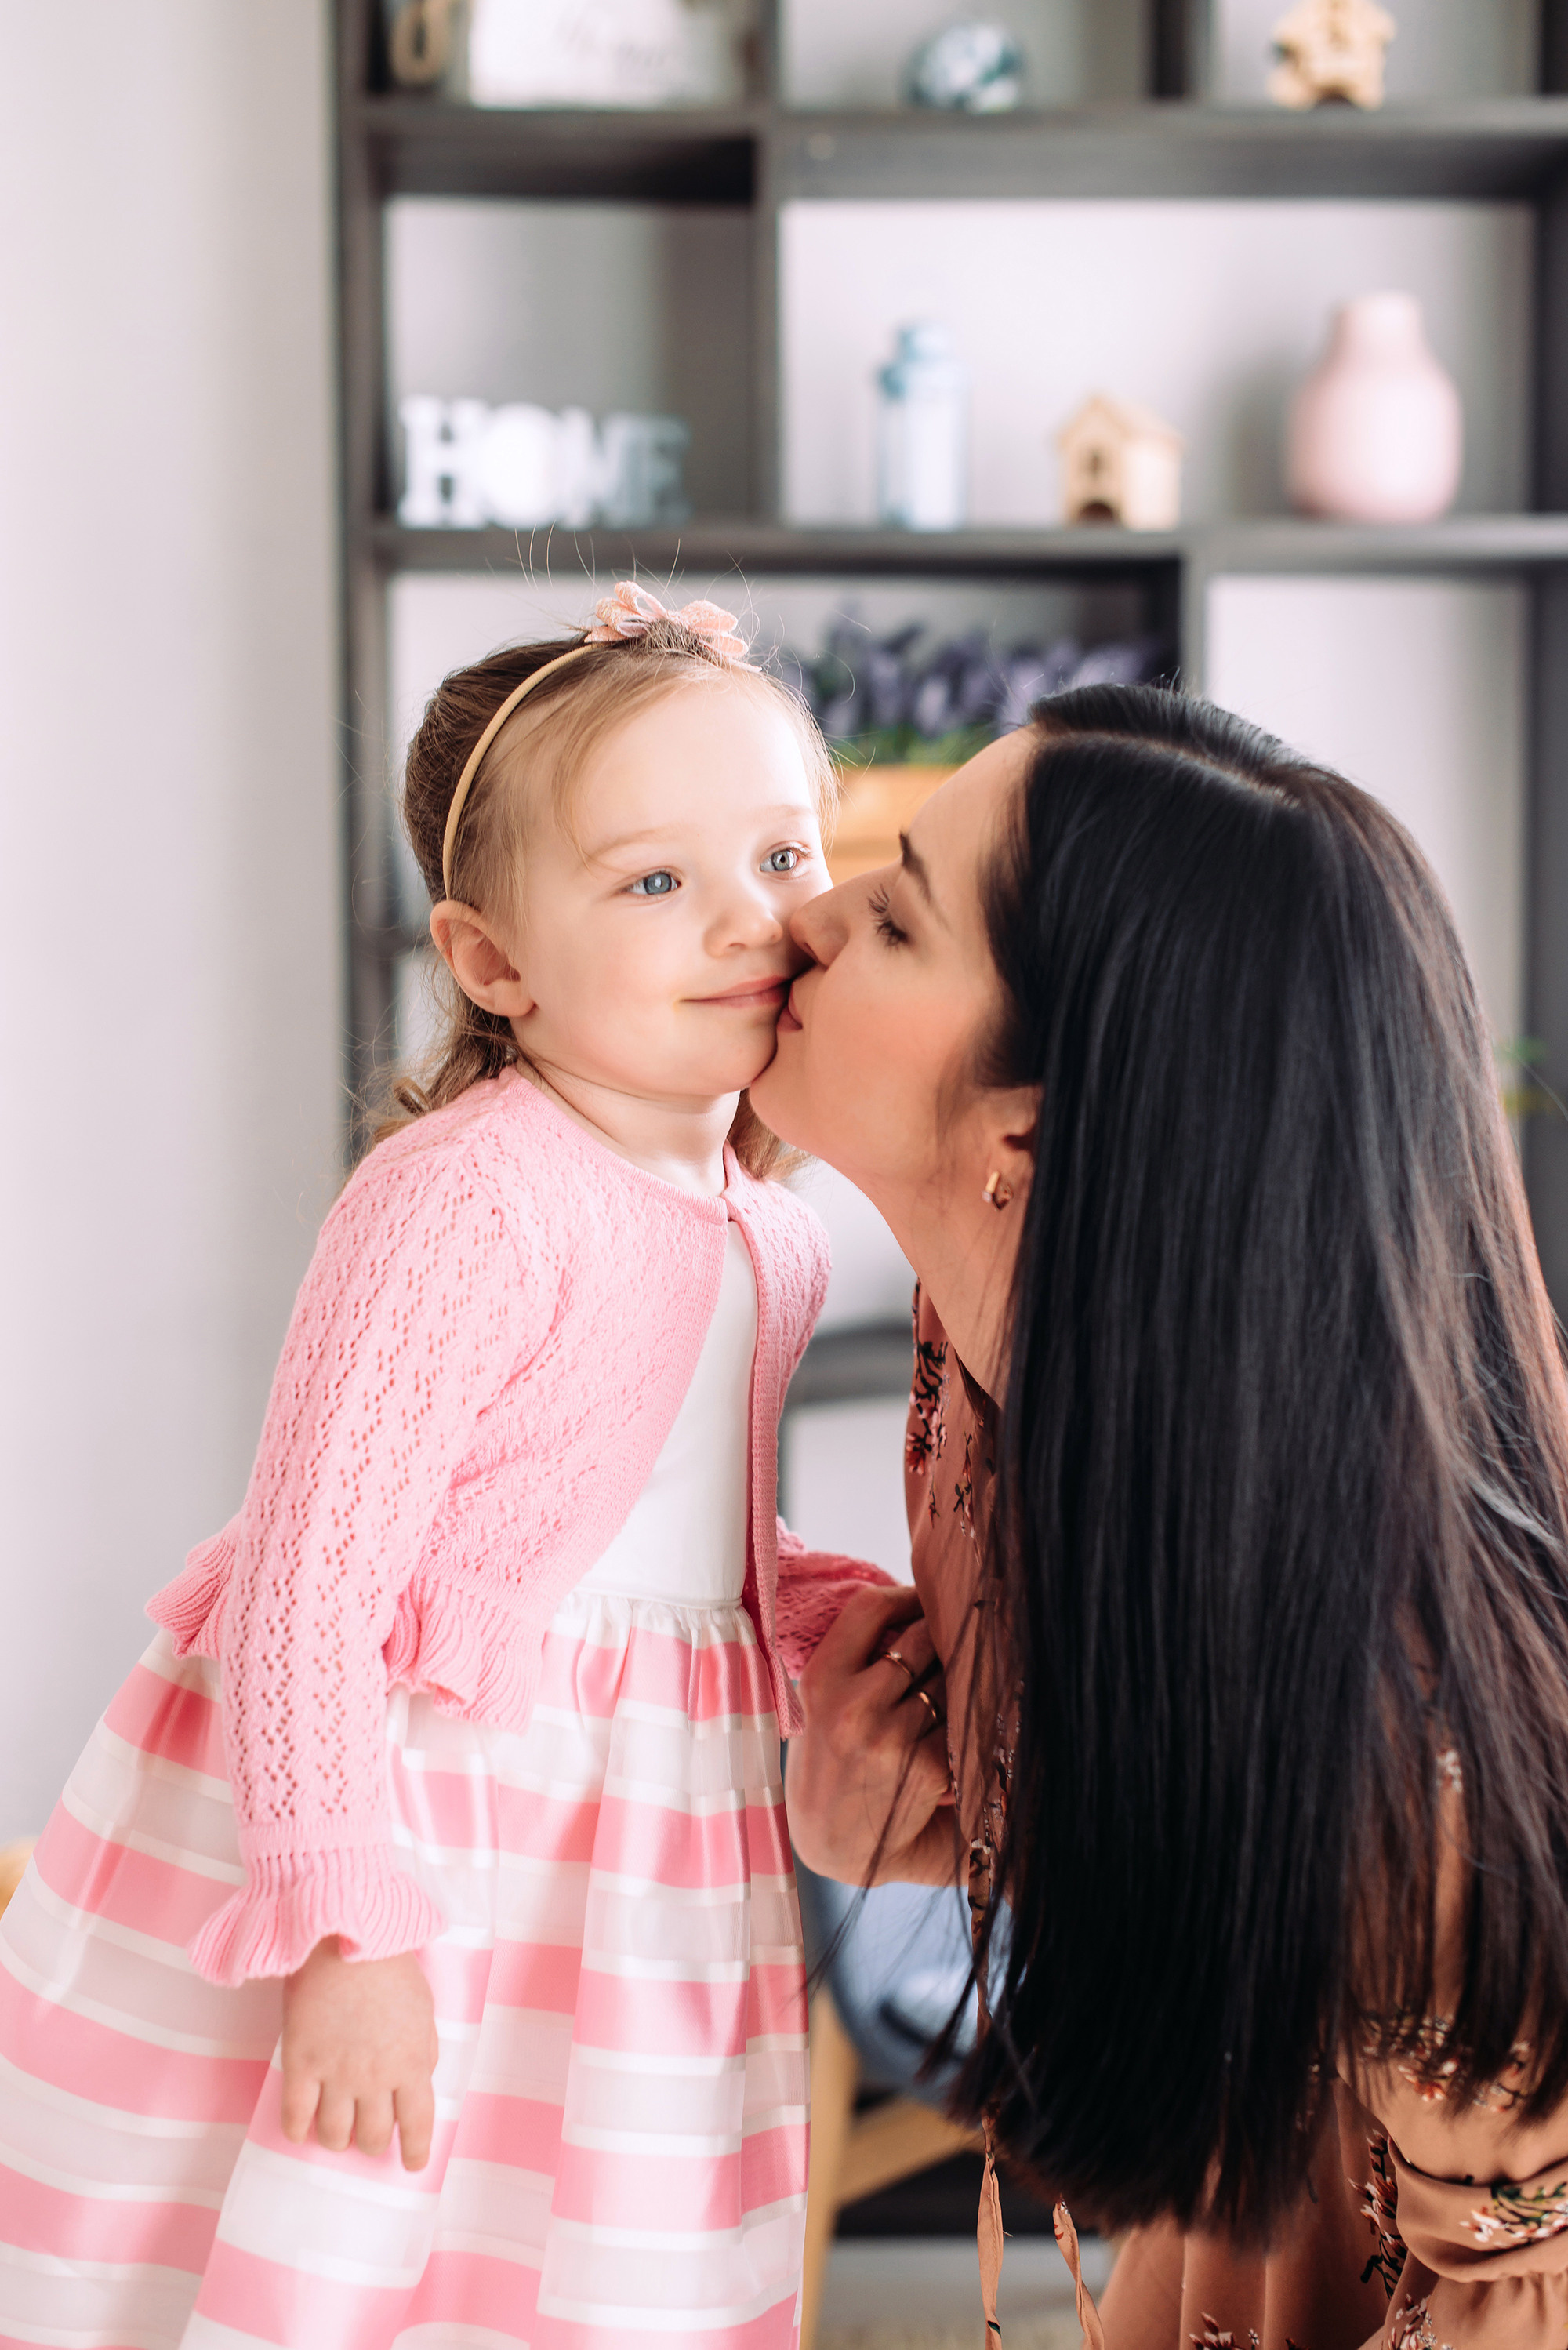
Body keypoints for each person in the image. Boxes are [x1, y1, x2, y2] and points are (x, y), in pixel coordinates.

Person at [0, 584, 898, 2349]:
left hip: (635, 1824)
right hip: (412, 1802)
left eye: (786, 855)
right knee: (354, 2218)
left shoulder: (764, 1231)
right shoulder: (465, 1197)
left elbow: (665, 1547)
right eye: (654, 880)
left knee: (587, 2239)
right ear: (494, 962)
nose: (747, 918)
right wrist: (351, 1929)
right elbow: (312, 1577)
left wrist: (834, 1608)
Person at [766, 684, 1568, 2350]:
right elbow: (1170, 1817)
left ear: (1032, 1136)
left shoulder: (1394, 1737)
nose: (808, 913)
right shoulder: (1025, 1371)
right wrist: (909, 1827)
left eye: (896, 910)